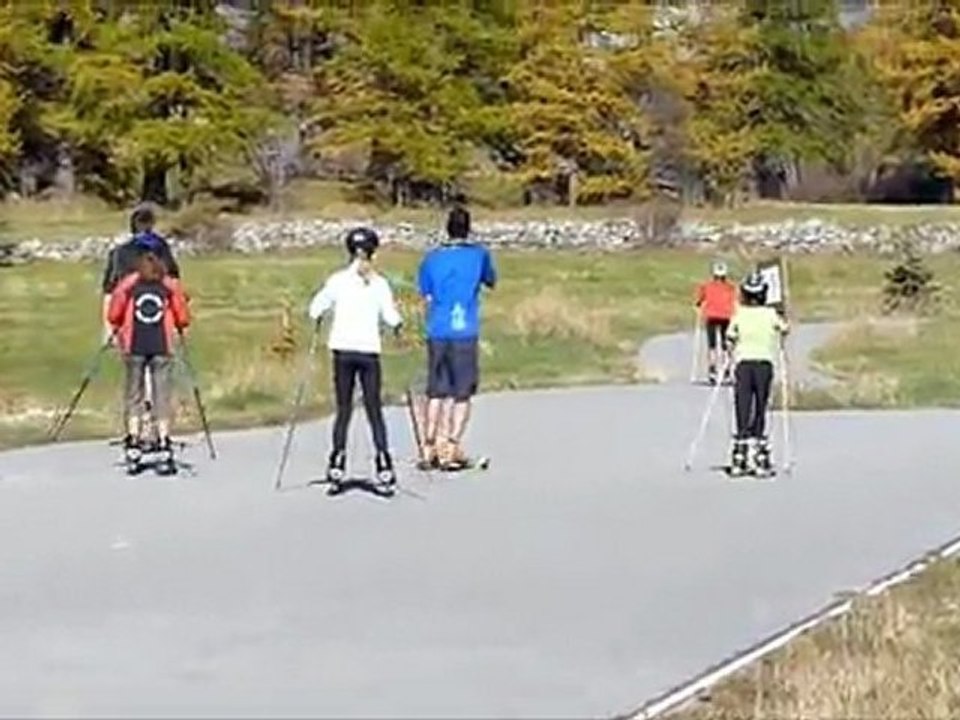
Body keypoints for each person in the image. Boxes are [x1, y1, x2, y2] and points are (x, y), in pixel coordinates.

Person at [308, 226, 403, 490]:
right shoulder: (379, 283)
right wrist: (398, 324)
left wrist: (318, 316)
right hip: (368, 352)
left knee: (344, 409)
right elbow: (391, 317)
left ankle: (337, 460)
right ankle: (383, 462)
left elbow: (315, 308)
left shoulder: (338, 280)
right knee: (374, 409)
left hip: (342, 351)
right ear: (372, 252)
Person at [416, 206, 496, 470]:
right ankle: (450, 444)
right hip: (464, 331)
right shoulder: (478, 255)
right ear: (468, 228)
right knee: (462, 393)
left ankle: (429, 446)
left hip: (438, 329)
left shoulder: (432, 258)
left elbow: (425, 294)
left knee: (436, 391)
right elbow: (490, 280)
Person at [107, 250, 191, 475]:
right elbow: (183, 317)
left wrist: (118, 325)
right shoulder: (169, 285)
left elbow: (114, 313)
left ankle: (134, 442)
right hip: (161, 346)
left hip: (134, 346)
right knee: (161, 395)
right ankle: (163, 441)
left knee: (134, 395)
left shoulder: (129, 284)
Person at [725, 271, 789, 476]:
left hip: (744, 364)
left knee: (742, 404)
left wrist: (732, 347)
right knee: (760, 405)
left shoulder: (739, 313)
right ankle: (759, 451)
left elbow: (730, 336)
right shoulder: (770, 314)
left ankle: (741, 451)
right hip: (763, 364)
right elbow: (785, 329)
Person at [101, 202, 181, 343]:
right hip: (160, 321)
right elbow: (174, 285)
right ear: (152, 224)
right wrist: (179, 324)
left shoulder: (118, 253)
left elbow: (109, 291)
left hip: (129, 323)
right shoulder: (162, 249)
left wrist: (109, 329)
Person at [695, 260, 737, 384]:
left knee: (712, 345)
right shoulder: (730, 287)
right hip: (726, 316)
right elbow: (735, 300)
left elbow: (699, 300)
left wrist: (698, 305)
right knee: (726, 345)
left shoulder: (706, 286)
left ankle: (712, 370)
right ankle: (727, 370)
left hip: (712, 316)